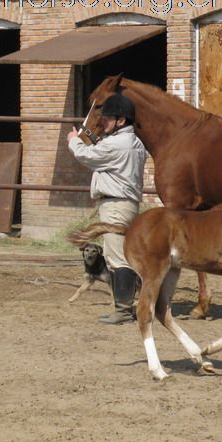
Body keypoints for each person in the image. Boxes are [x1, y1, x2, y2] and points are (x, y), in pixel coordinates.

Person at [67, 94, 147, 324]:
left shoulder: (116, 144)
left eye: (108, 119)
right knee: (126, 255)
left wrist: (74, 139)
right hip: (126, 204)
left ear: (121, 121)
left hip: (115, 205)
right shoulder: (135, 143)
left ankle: (123, 310)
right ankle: (129, 304)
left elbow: (87, 155)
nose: (104, 123)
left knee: (117, 257)